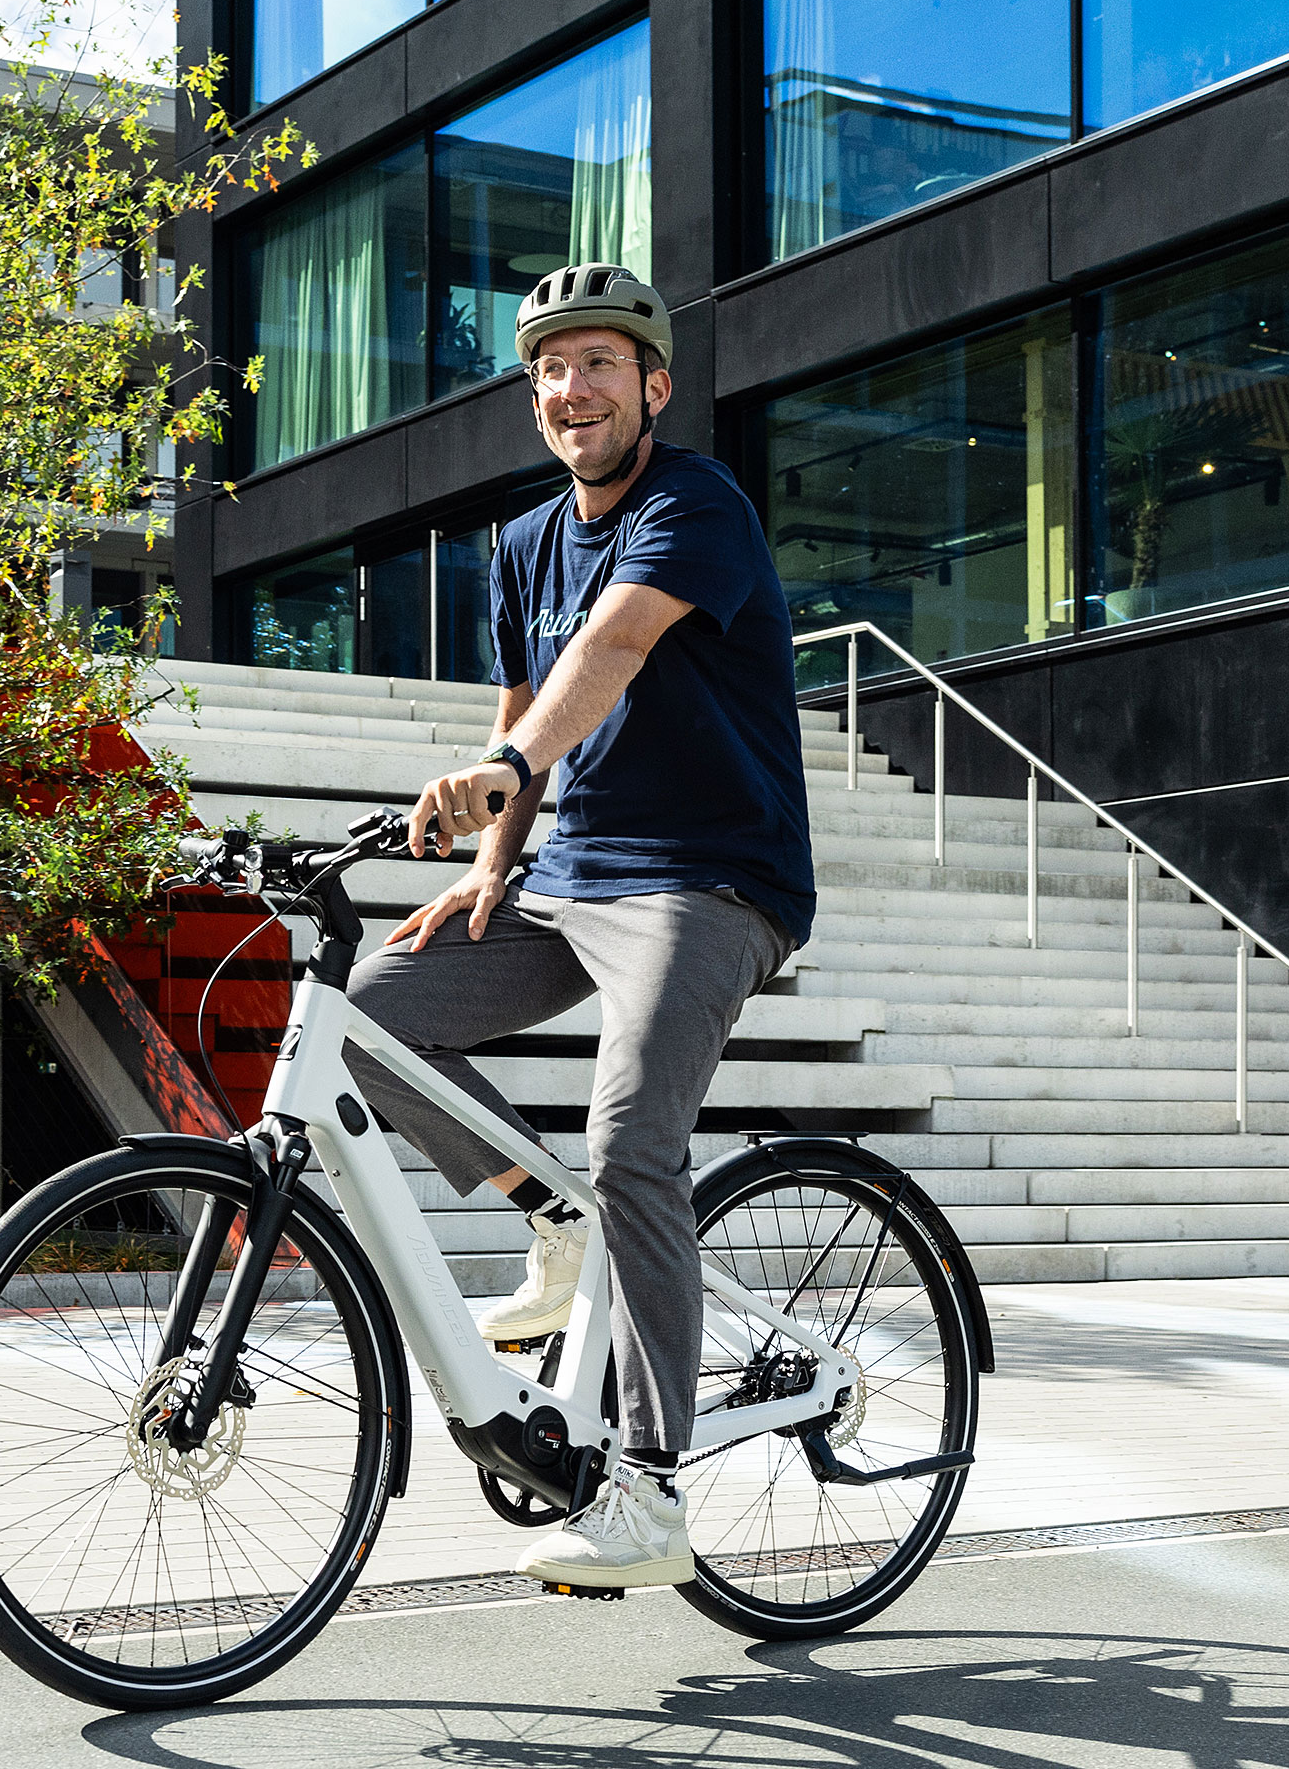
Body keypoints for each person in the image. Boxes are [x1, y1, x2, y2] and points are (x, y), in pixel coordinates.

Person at [342, 262, 816, 1592]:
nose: (572, 389)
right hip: (571, 873)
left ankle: (654, 1492)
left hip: (712, 877)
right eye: (551, 369)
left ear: (652, 385)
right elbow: (525, 697)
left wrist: (502, 767)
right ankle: (544, 1223)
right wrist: (495, 861)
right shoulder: (521, 544)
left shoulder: (695, 503)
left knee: (630, 1145)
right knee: (369, 1022)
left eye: (599, 363)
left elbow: (603, 660)